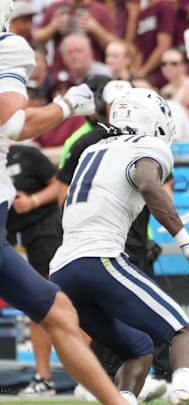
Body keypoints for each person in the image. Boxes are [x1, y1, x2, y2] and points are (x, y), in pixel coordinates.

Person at [48, 87, 189, 405]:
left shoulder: (91, 150)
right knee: (184, 332)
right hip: (101, 257)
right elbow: (149, 183)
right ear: (151, 121)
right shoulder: (147, 145)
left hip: (62, 270)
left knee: (138, 349)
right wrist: (184, 240)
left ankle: (124, 400)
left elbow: (65, 209)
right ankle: (185, 389)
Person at [0, 2, 127, 403]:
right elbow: (15, 124)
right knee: (58, 312)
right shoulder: (9, 46)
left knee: (58, 312)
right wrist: (71, 104)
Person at [8, 142, 62, 397]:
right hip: (8, 238)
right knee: (35, 309)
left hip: (43, 231)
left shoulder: (26, 154)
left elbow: (59, 184)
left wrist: (33, 200)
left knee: (56, 303)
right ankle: (44, 378)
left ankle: (97, 373)